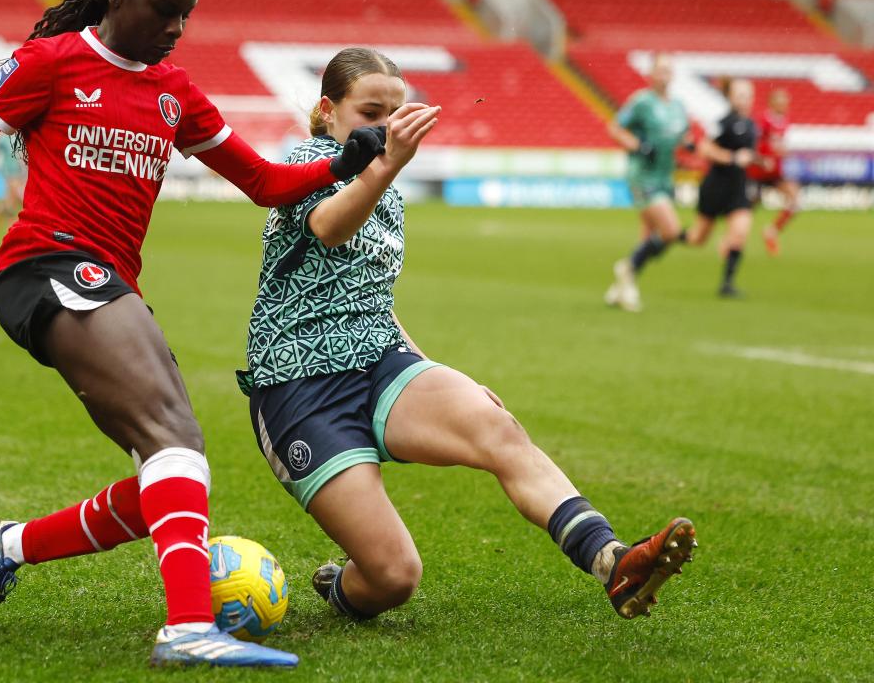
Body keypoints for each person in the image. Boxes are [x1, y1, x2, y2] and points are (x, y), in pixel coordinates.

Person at [0, 0, 387, 669]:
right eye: (163, 9)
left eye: (186, 16)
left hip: (108, 284)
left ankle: (5, 545)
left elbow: (264, 183)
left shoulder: (175, 94)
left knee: (170, 465)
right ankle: (187, 629)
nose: (175, 28)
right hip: (43, 267)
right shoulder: (51, 63)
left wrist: (341, 163)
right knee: (174, 436)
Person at [239, 47, 697, 625]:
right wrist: (387, 165)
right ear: (328, 112)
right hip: (298, 386)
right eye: (370, 112)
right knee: (394, 577)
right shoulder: (310, 159)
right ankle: (342, 588)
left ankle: (613, 560)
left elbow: (369, 295)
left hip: (379, 363)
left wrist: (432, 370)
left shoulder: (386, 186)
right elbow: (328, 229)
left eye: (396, 111)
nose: (386, 126)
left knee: (495, 425)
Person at [604, 53, 692, 313]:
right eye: (660, 69)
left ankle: (624, 286)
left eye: (668, 69)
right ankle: (626, 269)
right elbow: (615, 128)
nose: (664, 74)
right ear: (651, 74)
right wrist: (638, 145)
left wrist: (687, 144)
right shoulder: (641, 102)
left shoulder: (678, 105)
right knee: (671, 231)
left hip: (666, 175)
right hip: (643, 174)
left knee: (649, 236)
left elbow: (681, 133)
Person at [685, 78, 758, 298]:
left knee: (740, 232)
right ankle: (667, 236)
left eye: (748, 95)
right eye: (740, 95)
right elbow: (705, 149)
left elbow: (747, 155)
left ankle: (727, 284)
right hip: (716, 185)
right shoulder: (723, 122)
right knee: (697, 238)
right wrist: (732, 157)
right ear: (730, 97)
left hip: (738, 186)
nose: (744, 100)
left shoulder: (752, 126)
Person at [748, 88, 798, 256]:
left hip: (775, 173)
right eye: (781, 101)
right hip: (758, 172)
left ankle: (771, 231)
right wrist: (762, 158)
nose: (785, 105)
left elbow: (778, 145)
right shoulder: (763, 120)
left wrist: (781, 151)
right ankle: (735, 239)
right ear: (772, 103)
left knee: (794, 200)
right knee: (748, 207)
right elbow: (754, 143)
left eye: (786, 101)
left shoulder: (785, 121)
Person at [0, 133, 26, 225]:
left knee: (11, 196)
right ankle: (10, 218)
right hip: (10, 170)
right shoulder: (4, 138)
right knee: (16, 195)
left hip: (17, 170)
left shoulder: (18, 136)